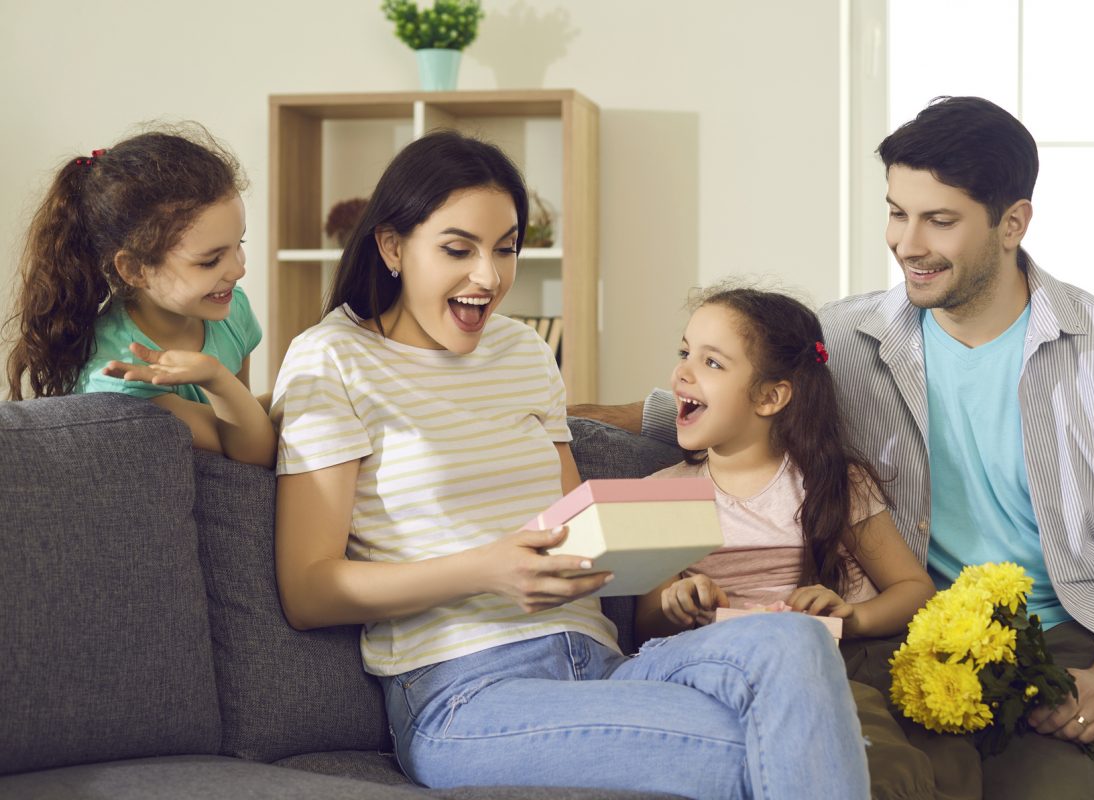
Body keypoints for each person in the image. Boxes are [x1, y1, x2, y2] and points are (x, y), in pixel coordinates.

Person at [574, 96, 1094, 799]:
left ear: (1012, 222)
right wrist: (551, 413)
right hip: (936, 649)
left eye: (939, 221)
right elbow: (724, 402)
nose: (908, 242)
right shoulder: (846, 338)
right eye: (897, 214)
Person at [269, 130, 870, 798]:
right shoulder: (332, 359)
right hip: (467, 691)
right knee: (770, 744)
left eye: (505, 249)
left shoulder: (523, 351)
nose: (489, 277)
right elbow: (309, 590)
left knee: (799, 643)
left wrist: (640, 564)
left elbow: (571, 529)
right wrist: (486, 568)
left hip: (604, 663)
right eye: (457, 249)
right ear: (391, 247)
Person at [636, 285, 976, 800]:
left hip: (831, 673)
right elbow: (645, 623)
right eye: (685, 353)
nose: (681, 373)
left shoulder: (832, 484)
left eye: (711, 362)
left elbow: (913, 589)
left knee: (892, 763)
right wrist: (676, 603)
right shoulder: (659, 497)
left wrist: (851, 615)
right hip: (719, 679)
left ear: (771, 396)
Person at [6, 126, 274, 467]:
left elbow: (245, 414)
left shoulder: (232, 311)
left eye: (240, 246)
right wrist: (215, 377)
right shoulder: (118, 374)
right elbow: (252, 453)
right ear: (134, 269)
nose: (238, 271)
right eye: (210, 261)